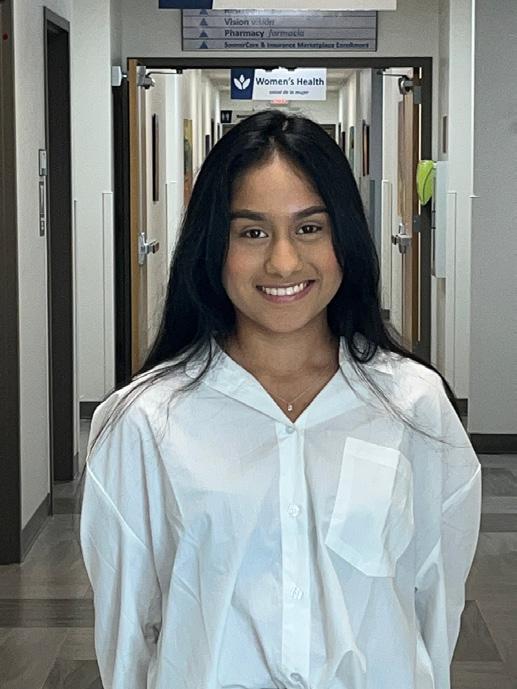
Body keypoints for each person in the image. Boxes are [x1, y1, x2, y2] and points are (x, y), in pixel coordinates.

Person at [79, 109, 481, 689]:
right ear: (213, 245)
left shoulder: (413, 405)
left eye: (310, 228)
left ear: (344, 237)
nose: (284, 261)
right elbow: (127, 637)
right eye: (253, 232)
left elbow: (434, 600)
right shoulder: (146, 421)